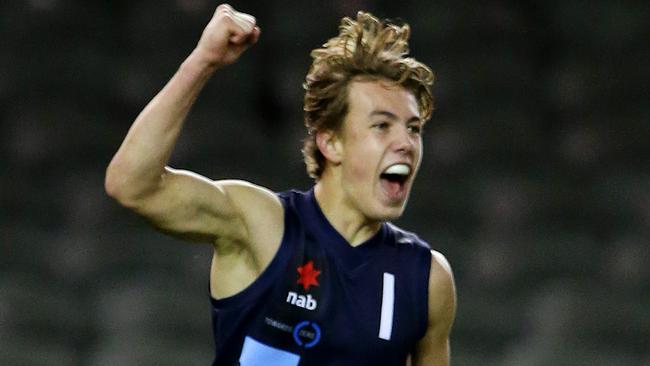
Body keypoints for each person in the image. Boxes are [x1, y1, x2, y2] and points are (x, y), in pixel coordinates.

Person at [105, 3, 456, 366]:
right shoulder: (263, 226)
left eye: (413, 129)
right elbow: (131, 185)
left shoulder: (426, 279)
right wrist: (203, 61)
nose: (406, 143)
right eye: (382, 126)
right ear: (330, 142)